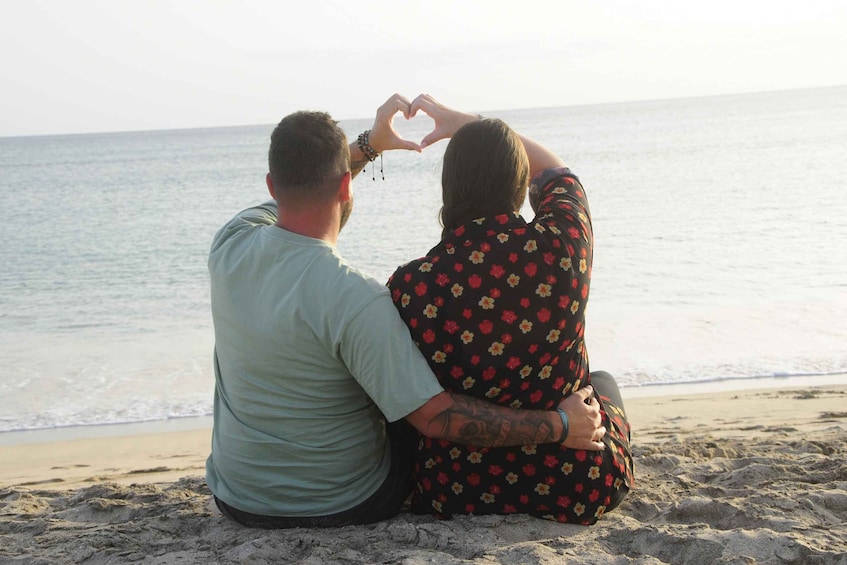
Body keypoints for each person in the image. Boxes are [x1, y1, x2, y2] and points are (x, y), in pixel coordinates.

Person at [205, 94, 608, 529]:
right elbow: (435, 418)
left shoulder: (230, 243)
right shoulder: (357, 299)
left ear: (270, 185)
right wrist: (561, 424)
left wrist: (369, 145)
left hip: (236, 498)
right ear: (345, 185)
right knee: (408, 395)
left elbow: (309, 194)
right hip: (344, 501)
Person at [387, 95, 633, 525]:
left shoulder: (412, 286)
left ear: (448, 189)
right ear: (522, 188)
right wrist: (469, 123)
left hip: (458, 491)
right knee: (603, 382)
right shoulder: (562, 244)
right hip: (578, 481)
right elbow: (557, 172)